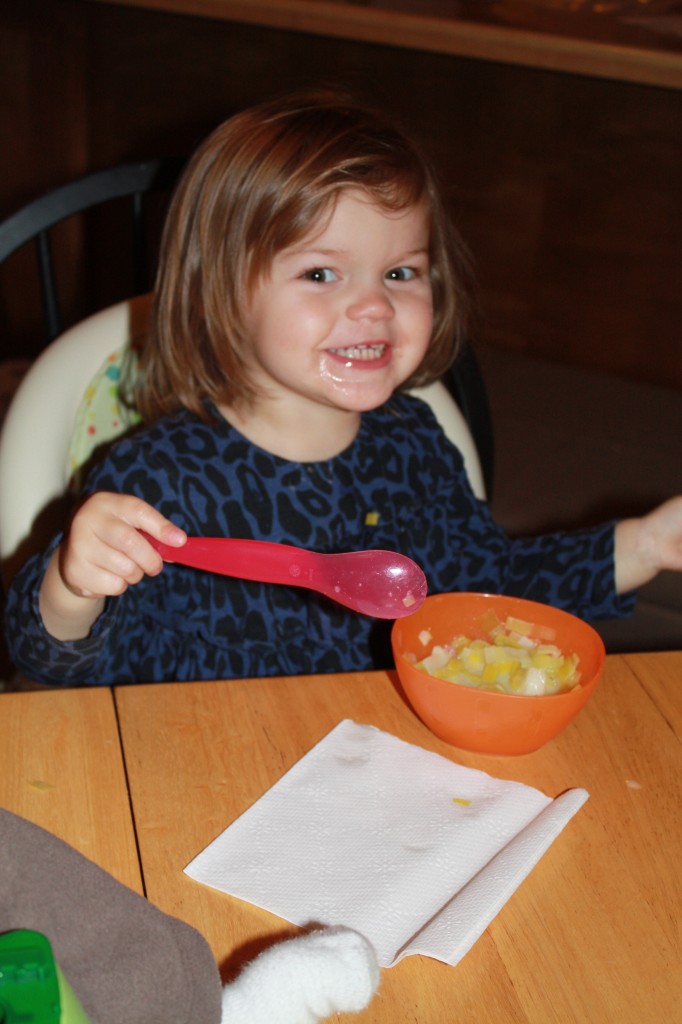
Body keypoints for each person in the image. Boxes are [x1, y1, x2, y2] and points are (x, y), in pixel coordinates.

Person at [5, 90, 682, 686]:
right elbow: (58, 663)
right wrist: (71, 585)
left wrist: (646, 544)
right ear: (221, 296)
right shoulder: (158, 480)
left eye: (400, 273)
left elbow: (488, 594)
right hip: (205, 774)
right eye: (322, 275)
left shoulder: (413, 443)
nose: (374, 307)